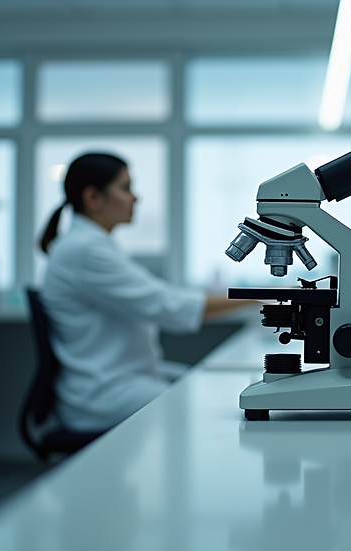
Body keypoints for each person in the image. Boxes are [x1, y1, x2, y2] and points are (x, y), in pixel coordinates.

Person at [40, 153, 245, 433]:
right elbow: (169, 306)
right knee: (208, 411)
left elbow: (162, 297)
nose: (135, 198)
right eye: (125, 188)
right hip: (102, 395)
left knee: (208, 389)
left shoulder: (93, 244)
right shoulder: (85, 250)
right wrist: (260, 296)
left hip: (119, 380)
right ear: (92, 198)